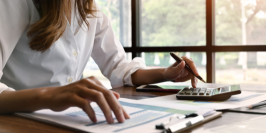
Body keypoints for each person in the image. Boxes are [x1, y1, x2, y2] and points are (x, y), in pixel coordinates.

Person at [0, 0, 199, 124]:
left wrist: (165, 73)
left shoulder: (89, 8)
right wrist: (50, 95)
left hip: (69, 121)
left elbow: (119, 66)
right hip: (17, 123)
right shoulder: (14, 3)